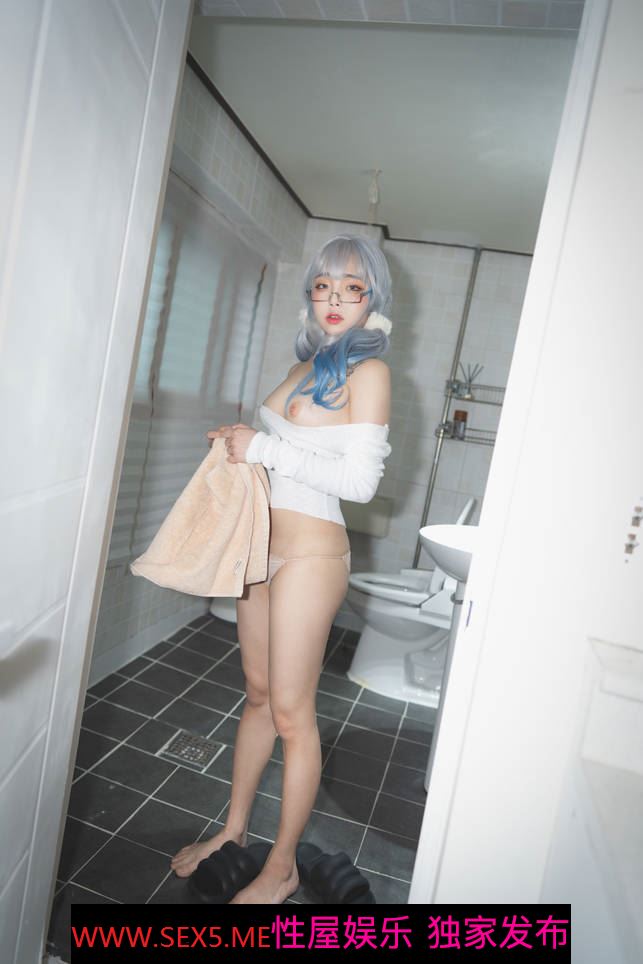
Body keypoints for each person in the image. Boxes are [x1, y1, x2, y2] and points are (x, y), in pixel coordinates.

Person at [171, 234, 393, 904]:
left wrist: (264, 446)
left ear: (371, 299)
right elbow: (283, 446)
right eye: (323, 286)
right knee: (259, 696)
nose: (334, 299)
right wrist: (241, 443)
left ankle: (284, 865)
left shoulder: (369, 373)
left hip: (309, 557)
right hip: (261, 550)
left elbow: (360, 484)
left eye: (351, 288)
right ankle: (233, 832)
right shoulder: (308, 364)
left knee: (293, 713)